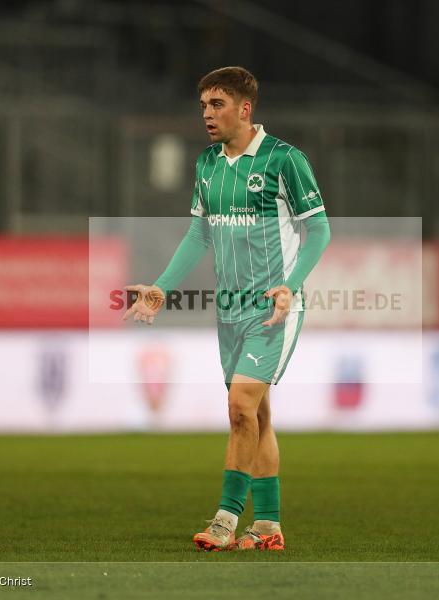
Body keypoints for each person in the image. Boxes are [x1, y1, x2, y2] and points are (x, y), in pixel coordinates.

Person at [123, 66, 331, 551]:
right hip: (229, 310)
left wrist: (290, 286)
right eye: (202, 106)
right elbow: (199, 234)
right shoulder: (207, 165)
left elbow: (318, 230)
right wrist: (161, 288)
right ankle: (270, 527)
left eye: (216, 105)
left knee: (239, 408)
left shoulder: (284, 160)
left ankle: (225, 519)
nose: (207, 115)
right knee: (255, 418)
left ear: (245, 108)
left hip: (272, 310)